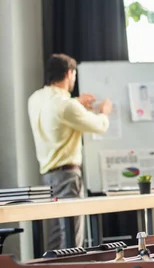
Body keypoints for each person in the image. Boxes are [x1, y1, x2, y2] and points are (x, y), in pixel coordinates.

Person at [28, 53, 112, 249]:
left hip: (47, 178)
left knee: (57, 235)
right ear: (69, 73)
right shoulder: (67, 106)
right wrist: (104, 112)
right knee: (72, 238)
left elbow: (59, 116)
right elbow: (99, 126)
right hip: (67, 177)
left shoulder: (35, 99)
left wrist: (78, 103)